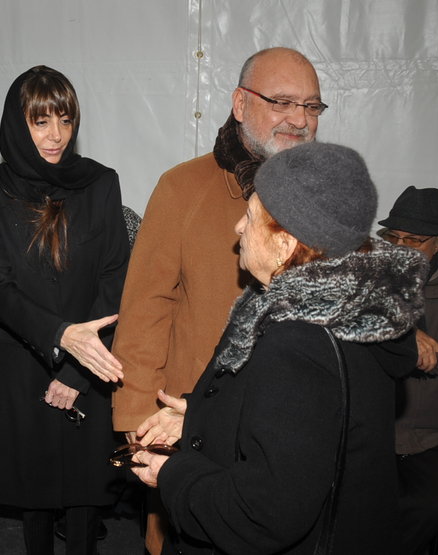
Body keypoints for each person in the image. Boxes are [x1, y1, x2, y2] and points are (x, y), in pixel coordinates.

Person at [128, 142, 426, 554]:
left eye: (250, 217)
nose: (238, 228)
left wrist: (173, 474)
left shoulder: (299, 343)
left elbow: (261, 514)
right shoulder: (354, 310)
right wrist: (201, 417)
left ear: (285, 245)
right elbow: (309, 434)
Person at [110, 47, 327, 552]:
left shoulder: (325, 197)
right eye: (282, 102)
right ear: (240, 103)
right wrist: (137, 422)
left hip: (291, 437)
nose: (299, 119)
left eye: (312, 106)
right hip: (193, 428)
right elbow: (145, 310)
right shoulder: (182, 188)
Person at [0, 65, 129, 554]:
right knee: (33, 499)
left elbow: (116, 280)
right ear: (18, 125)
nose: (56, 135)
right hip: (25, 365)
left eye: (65, 119)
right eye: (41, 122)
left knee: (85, 500)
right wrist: (60, 336)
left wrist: (79, 369)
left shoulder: (100, 183)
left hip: (91, 366)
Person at [376, 186, 438, 554]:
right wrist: (406, 340)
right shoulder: (371, 283)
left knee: (425, 508)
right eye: (393, 237)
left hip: (437, 434)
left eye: (413, 240)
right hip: (374, 429)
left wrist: (428, 355)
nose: (400, 248)